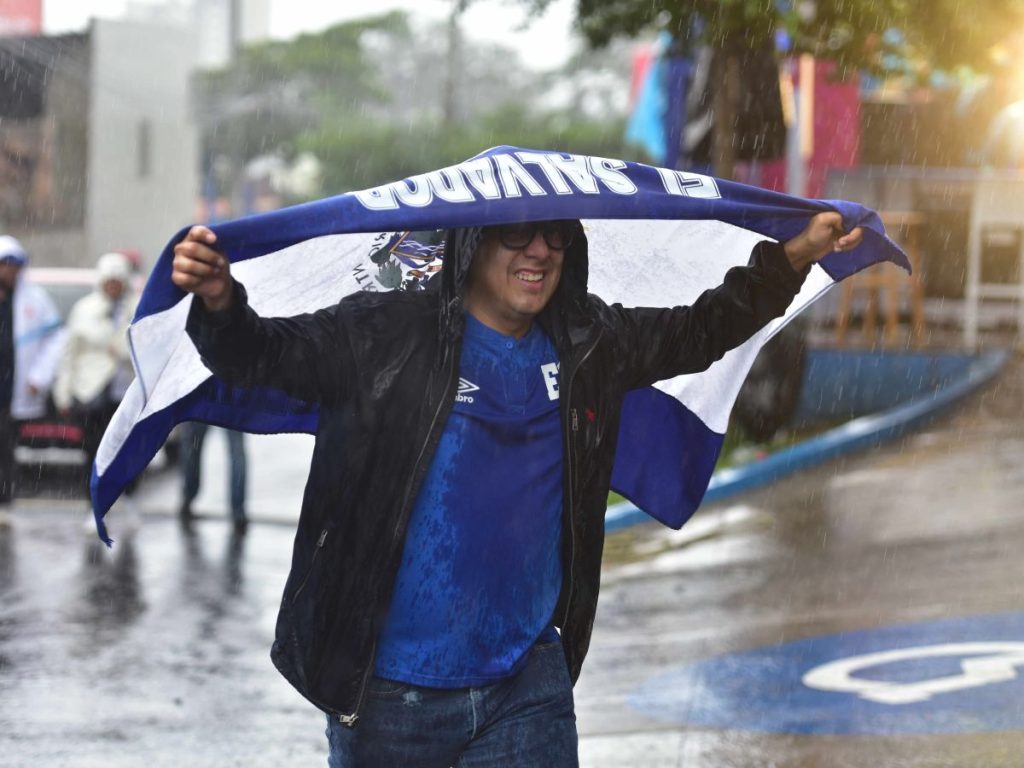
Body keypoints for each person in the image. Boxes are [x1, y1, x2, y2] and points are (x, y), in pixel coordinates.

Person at [172, 212, 862, 767]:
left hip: (526, 688)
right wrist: (220, 302)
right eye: (517, 233)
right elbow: (263, 355)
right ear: (472, 240)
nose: (539, 251)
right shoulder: (384, 332)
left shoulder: (589, 341)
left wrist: (793, 256)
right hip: (388, 698)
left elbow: (700, 328)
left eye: (555, 233)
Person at [53, 252, 138, 496]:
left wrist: (120, 347)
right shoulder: (85, 309)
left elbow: (148, 346)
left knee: (126, 452)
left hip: (126, 393)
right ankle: (94, 504)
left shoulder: (138, 307)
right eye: (108, 281)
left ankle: (129, 499)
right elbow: (70, 354)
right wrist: (64, 393)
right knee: (93, 451)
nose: (113, 287)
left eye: (117, 281)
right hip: (91, 392)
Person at [0, 236, 63, 519]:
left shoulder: (35, 299)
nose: (9, 271)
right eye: (4, 265)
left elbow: (57, 338)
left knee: (4, 448)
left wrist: (40, 375)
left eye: (14, 266)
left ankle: (5, 503)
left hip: (12, 388)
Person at [178, 422, 248, 533]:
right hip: (231, 407)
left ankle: (188, 497)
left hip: (201, 405)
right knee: (237, 450)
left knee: (193, 444)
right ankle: (238, 511)